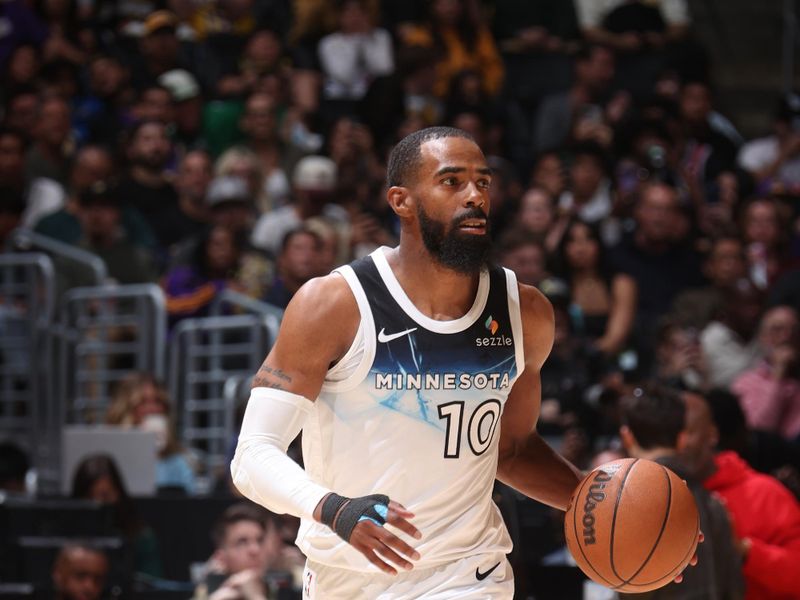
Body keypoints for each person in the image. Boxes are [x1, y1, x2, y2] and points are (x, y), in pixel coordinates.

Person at [231, 127, 693, 597]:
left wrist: (634, 519)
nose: (475, 196)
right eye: (452, 182)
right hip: (345, 577)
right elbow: (253, 455)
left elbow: (510, 450)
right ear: (401, 201)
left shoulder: (524, 312)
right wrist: (332, 508)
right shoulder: (332, 304)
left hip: (467, 574)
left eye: (483, 183)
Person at [618, 385, 744, 600]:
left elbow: (629, 589)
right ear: (682, 439)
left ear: (627, 437)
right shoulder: (714, 503)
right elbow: (735, 588)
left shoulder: (623, 503)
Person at [684, 392, 800, 600]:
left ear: (711, 434)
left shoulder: (765, 493)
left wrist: (744, 550)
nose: (681, 444)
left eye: (687, 432)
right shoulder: (653, 502)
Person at [71, 453, 163, 577]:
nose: (98, 504)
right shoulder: (66, 541)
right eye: (89, 497)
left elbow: (151, 585)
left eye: (105, 496)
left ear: (118, 493)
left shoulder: (140, 537)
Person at [106, 371, 197, 493]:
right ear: (127, 408)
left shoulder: (179, 463)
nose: (153, 408)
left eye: (158, 401)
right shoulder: (109, 457)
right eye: (143, 402)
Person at [193, 502, 302, 600]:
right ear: (221, 557)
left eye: (260, 540)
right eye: (242, 542)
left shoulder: (291, 588)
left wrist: (255, 596)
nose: (255, 550)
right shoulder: (208, 591)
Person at [732, 305, 800, 440]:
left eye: (794, 330)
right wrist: (778, 374)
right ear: (763, 337)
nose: (786, 337)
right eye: (777, 330)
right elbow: (760, 432)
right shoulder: (746, 382)